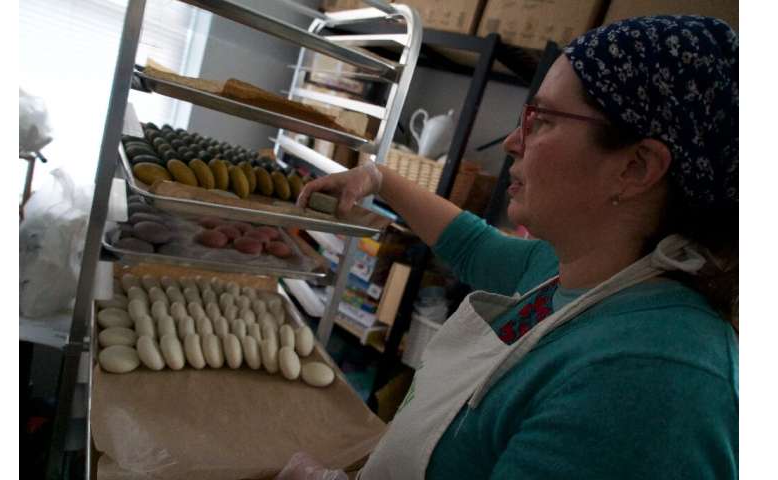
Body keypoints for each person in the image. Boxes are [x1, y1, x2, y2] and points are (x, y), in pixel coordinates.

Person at [280, 14, 738, 479]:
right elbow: (472, 245)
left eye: (543, 121)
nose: (513, 141)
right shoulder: (576, 272)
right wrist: (378, 179)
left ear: (636, 167)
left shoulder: (652, 381)